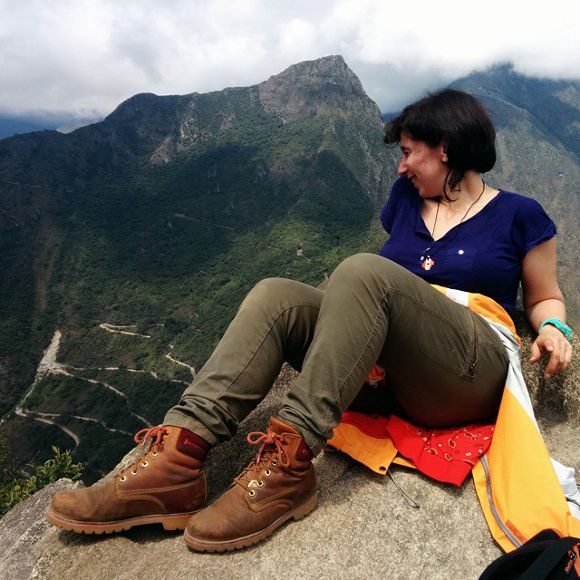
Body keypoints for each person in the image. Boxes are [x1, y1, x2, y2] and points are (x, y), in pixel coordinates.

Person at [46, 89, 574, 552]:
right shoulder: (406, 203)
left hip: (468, 370)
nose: (400, 167)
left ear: (447, 150)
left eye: (410, 153)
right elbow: (379, 290)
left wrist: (554, 329)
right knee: (277, 295)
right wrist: (353, 340)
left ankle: (291, 462)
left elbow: (544, 296)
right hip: (397, 376)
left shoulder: (520, 214)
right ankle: (178, 458)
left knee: (364, 270)